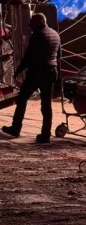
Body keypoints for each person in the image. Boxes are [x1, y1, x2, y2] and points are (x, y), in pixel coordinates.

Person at [2, 13, 61, 144]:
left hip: (37, 73)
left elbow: (29, 57)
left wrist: (18, 71)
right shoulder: (55, 34)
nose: (31, 28)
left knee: (22, 99)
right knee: (46, 105)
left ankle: (15, 128)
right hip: (51, 71)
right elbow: (58, 56)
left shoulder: (37, 35)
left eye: (32, 24)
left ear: (39, 22)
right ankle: (45, 134)